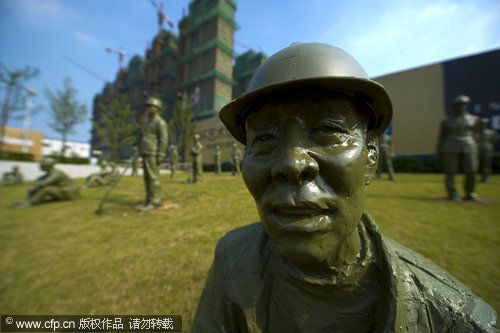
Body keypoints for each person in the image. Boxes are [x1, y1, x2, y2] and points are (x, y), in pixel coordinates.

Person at [192, 43, 497, 332]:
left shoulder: (453, 318)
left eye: (328, 131)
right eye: (264, 140)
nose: (293, 163)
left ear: (371, 158)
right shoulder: (232, 258)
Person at [437, 95, 480, 202]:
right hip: (451, 146)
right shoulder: (446, 121)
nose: (461, 107)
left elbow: (476, 135)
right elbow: (441, 138)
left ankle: (470, 193)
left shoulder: (473, 119)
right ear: (454, 107)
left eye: (464, 105)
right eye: (459, 105)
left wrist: (477, 150)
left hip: (469, 146)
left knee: (472, 170)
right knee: (450, 171)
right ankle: (452, 194)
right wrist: (439, 152)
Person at [137, 96, 168, 211]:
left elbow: (164, 139)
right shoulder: (149, 122)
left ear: (157, 108)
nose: (148, 108)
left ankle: (155, 201)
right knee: (147, 178)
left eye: (151, 106)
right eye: (147, 106)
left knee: (153, 177)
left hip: (153, 153)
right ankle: (148, 199)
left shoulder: (160, 122)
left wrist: (161, 154)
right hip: (146, 152)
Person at [13, 157, 80, 208]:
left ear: (47, 165)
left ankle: (32, 202)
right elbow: (40, 181)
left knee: (47, 189)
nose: (41, 166)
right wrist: (34, 186)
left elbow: (46, 183)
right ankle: (29, 200)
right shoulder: (50, 173)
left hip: (68, 195)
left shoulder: (57, 174)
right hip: (62, 192)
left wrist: (34, 187)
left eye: (43, 164)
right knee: (39, 186)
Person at [478, 118, 497, 183]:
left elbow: (494, 141)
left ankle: (486, 178)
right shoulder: (478, 133)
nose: (483, 125)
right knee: (478, 165)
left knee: (487, 165)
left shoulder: (491, 133)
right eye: (482, 124)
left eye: (485, 124)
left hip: (488, 149)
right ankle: (481, 178)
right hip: (479, 149)